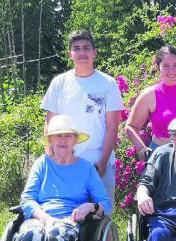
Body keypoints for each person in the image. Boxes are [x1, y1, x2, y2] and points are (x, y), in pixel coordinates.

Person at [41, 30, 124, 206]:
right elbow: (50, 124)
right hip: (65, 161)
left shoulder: (108, 84)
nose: (82, 53)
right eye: (76, 48)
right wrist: (51, 156)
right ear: (70, 54)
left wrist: (102, 162)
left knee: (102, 219)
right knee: (66, 215)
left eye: (86, 48)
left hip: (98, 162)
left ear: (94, 52)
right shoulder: (59, 83)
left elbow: (112, 127)